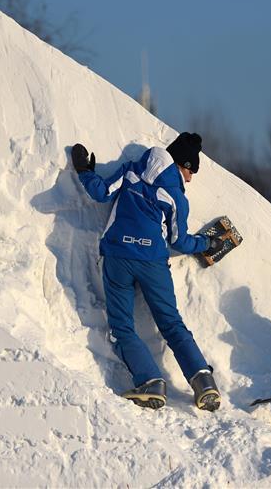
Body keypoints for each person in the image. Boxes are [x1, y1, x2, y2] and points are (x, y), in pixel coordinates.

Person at [71, 133, 223, 411]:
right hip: (153, 262)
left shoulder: (132, 170)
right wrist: (205, 243)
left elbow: (100, 192)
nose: (189, 178)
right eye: (190, 170)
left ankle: (151, 382)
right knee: (171, 324)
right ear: (181, 164)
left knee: (122, 328)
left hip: (118, 257)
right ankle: (205, 384)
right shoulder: (176, 196)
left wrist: (84, 171)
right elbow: (179, 240)